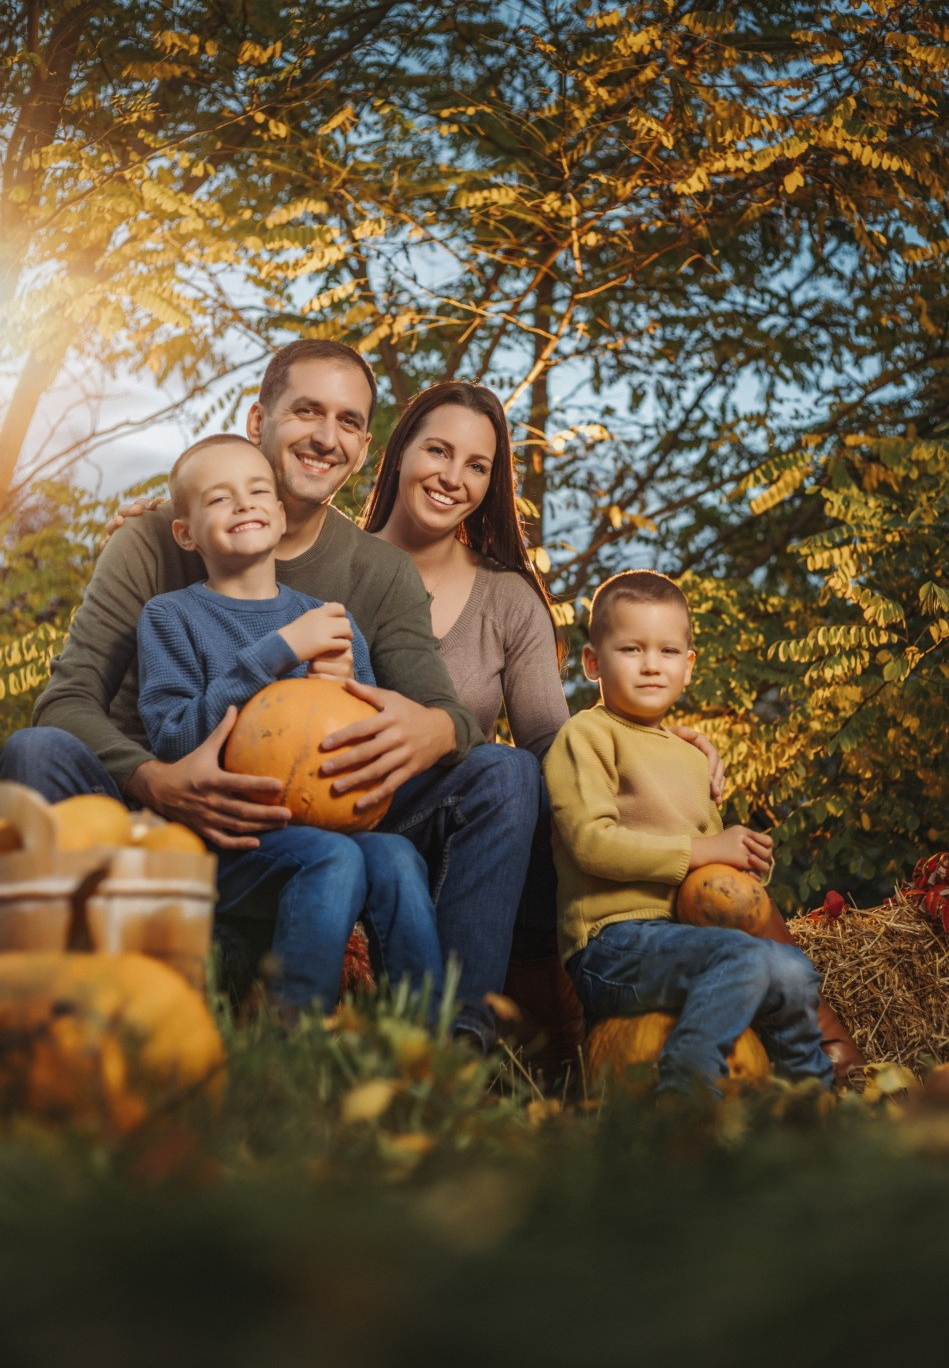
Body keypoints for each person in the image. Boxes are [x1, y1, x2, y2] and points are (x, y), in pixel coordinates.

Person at [0, 341, 537, 1049]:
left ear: (363, 443)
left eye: (348, 420)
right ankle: (54, 1020)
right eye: (306, 410)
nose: (325, 435)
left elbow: (448, 713)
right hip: (155, 800)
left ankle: (460, 1047)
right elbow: (65, 701)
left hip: (324, 811)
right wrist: (154, 779)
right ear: (259, 418)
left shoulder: (376, 573)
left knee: (506, 772)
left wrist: (435, 729)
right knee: (35, 751)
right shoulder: (156, 540)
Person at [360, 382, 725, 1070]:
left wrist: (661, 760)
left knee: (511, 771)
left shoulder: (507, 599)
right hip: (347, 810)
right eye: (437, 450)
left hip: (467, 831)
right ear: (399, 451)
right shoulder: (329, 562)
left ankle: (461, 1045)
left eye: (477, 465)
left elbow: (554, 751)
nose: (453, 477)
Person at [136, 432, 443, 1016]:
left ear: (279, 516)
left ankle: (427, 1047)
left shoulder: (328, 620)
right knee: (336, 858)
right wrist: (275, 653)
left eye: (257, 491)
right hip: (225, 837)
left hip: (328, 823)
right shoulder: (170, 616)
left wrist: (343, 687)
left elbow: (361, 733)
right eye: (219, 499)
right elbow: (173, 738)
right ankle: (292, 1046)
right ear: (186, 531)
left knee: (398, 858)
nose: (245, 504)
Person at [544, 569, 834, 1096]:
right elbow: (590, 842)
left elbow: (709, 867)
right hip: (614, 945)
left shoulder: (691, 755)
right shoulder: (584, 735)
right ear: (593, 662)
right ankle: (686, 1088)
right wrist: (702, 850)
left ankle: (812, 1098)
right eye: (631, 649)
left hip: (692, 937)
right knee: (742, 958)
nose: (652, 665)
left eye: (668, 652)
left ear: (688, 666)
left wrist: (742, 863)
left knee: (791, 968)